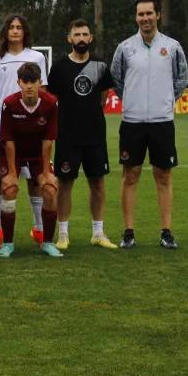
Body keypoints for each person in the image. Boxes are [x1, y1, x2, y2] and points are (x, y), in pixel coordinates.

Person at [111, 0, 188, 250]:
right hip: (132, 122)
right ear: (136, 18)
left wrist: (164, 101)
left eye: (149, 13)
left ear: (158, 15)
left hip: (162, 122)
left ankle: (166, 231)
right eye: (140, 14)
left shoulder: (172, 46)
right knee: (130, 175)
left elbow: (181, 79)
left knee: (163, 175)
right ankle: (128, 232)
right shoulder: (124, 48)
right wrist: (133, 101)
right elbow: (118, 81)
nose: (145, 18)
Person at [47, 19, 118, 250]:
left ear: (90, 38)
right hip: (67, 135)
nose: (80, 38)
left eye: (84, 34)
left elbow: (103, 97)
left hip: (95, 136)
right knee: (65, 184)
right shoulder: (58, 68)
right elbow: (53, 100)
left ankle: (98, 232)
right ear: (69, 39)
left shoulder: (100, 66)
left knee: (97, 183)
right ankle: (63, 233)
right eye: (76, 35)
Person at [0, 15, 48, 250]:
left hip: (31, 130)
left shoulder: (37, 57)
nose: (15, 31)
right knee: (0, 179)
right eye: (11, 27)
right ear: (5, 32)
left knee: (34, 180)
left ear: (25, 31)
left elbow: (44, 92)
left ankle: (40, 229)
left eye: (20, 27)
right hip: (2, 128)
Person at [0, 63, 62, 258]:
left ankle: (48, 243)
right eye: (25, 81)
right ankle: (7, 244)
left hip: (37, 155)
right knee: (9, 189)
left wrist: (46, 172)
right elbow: (8, 141)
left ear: (40, 83)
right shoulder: (9, 103)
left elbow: (48, 141)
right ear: (18, 83)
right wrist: (11, 173)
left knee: (50, 189)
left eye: (33, 81)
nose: (29, 86)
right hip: (14, 154)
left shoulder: (51, 103)